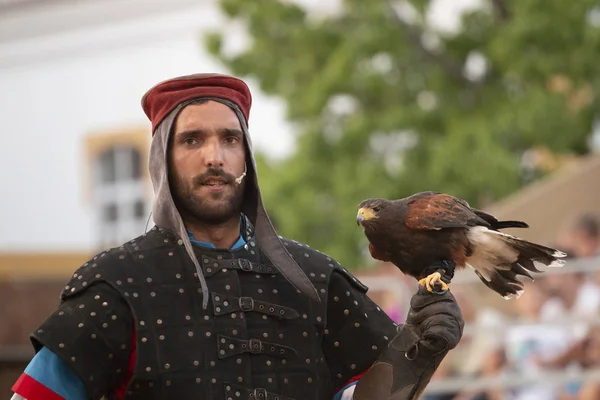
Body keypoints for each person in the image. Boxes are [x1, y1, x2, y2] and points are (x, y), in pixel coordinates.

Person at [10, 73, 464, 400]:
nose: (215, 156)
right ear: (161, 161)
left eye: (230, 139)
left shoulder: (316, 277)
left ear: (245, 154)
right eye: (192, 140)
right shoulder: (117, 284)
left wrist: (417, 350)